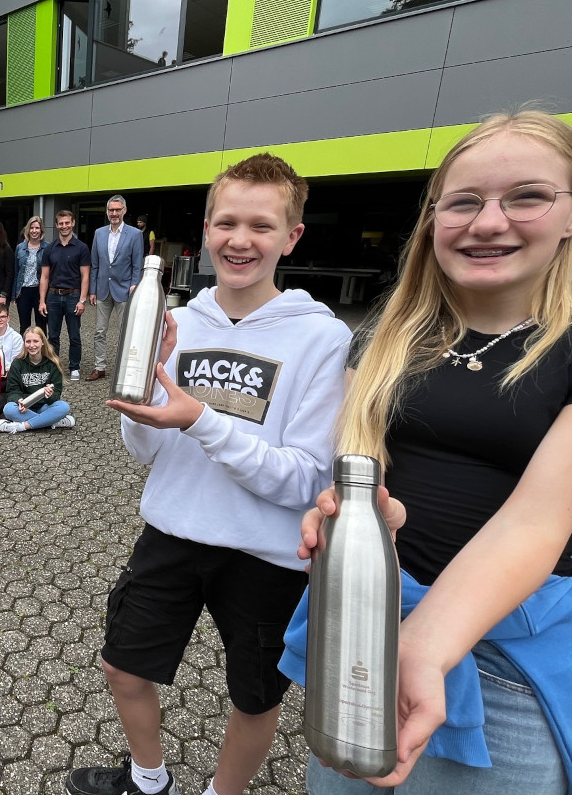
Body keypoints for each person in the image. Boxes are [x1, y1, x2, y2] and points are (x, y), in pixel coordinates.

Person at [282, 111, 572, 795]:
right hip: (362, 630)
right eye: (463, 201)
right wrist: (354, 505)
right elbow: (361, 456)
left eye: (526, 197)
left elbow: (538, 518)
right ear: (433, 219)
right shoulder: (386, 333)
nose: (489, 221)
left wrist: (425, 644)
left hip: (509, 667)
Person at [65, 153, 351, 795]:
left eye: (261, 226)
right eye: (226, 223)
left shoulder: (321, 338)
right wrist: (143, 403)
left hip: (266, 554)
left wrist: (200, 421)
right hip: (172, 530)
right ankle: (148, 777)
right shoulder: (180, 322)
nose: (240, 240)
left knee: (254, 697)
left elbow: (306, 479)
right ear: (205, 229)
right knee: (123, 667)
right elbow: (143, 448)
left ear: (292, 236)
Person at [88, 195, 146, 381]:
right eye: (111, 210)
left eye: (117, 210)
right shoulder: (99, 233)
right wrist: (93, 290)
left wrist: (134, 285)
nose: (114, 213)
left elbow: (137, 264)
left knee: (126, 332)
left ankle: (124, 369)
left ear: (124, 211)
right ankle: (100, 367)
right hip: (103, 289)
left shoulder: (135, 235)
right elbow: (95, 264)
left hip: (124, 290)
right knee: (99, 331)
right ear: (107, 212)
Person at [39, 209, 90, 380]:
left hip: (73, 296)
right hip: (53, 296)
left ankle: (74, 367)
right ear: (56, 225)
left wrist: (82, 300)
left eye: (67, 223)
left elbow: (85, 276)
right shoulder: (50, 248)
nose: (64, 226)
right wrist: (42, 301)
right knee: (53, 335)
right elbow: (44, 277)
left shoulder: (81, 248)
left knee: (74, 334)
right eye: (61, 223)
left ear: (73, 223)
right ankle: (55, 367)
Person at [0, 327, 76, 433]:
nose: (32, 345)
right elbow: (12, 391)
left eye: (36, 341)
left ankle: (22, 426)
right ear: (24, 343)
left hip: (45, 406)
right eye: (28, 341)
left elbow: (57, 394)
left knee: (63, 407)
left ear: (42, 342)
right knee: (8, 409)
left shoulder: (53, 363)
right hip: (24, 408)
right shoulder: (17, 363)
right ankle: (51, 421)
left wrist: (50, 395)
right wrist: (19, 401)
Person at [14, 216, 49, 334]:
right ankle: (24, 352)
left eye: (37, 228)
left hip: (40, 292)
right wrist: (14, 295)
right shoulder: (20, 248)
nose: (34, 231)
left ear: (41, 230)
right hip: (23, 292)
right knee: (24, 326)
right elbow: (16, 271)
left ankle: (42, 352)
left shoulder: (47, 248)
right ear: (28, 230)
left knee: (41, 326)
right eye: (32, 228)